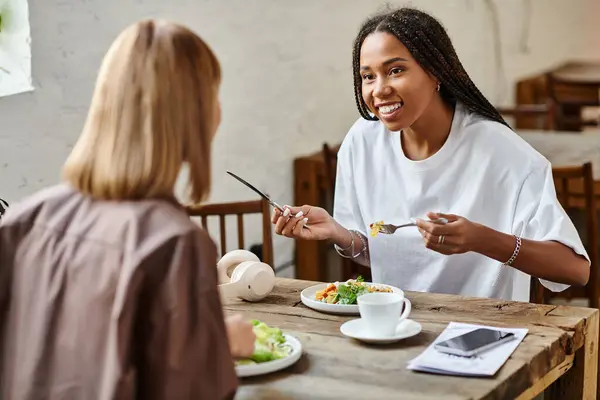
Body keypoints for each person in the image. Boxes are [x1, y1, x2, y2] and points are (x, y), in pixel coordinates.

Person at [0, 20, 254, 399]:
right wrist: (219, 347)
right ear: (193, 115)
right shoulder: (174, 245)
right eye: (213, 94)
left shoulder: (22, 220)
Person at [273, 7, 590, 302]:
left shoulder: (503, 152)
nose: (378, 89)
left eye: (395, 70)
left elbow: (575, 270)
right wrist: (338, 233)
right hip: (396, 327)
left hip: (484, 336)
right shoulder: (361, 142)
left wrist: (479, 239)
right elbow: (379, 247)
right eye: (368, 76)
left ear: (436, 72)